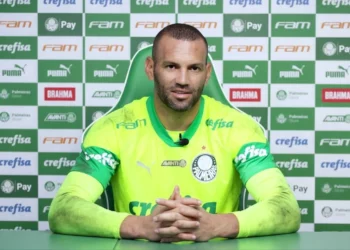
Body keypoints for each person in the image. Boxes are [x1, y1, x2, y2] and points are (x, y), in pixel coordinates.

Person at [48, 23, 300, 243]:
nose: (182, 79)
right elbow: (63, 209)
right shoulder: (113, 128)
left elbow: (285, 207)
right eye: (171, 66)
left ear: (207, 72)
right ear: (150, 68)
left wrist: (214, 225)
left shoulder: (238, 128)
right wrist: (142, 227)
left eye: (194, 68)